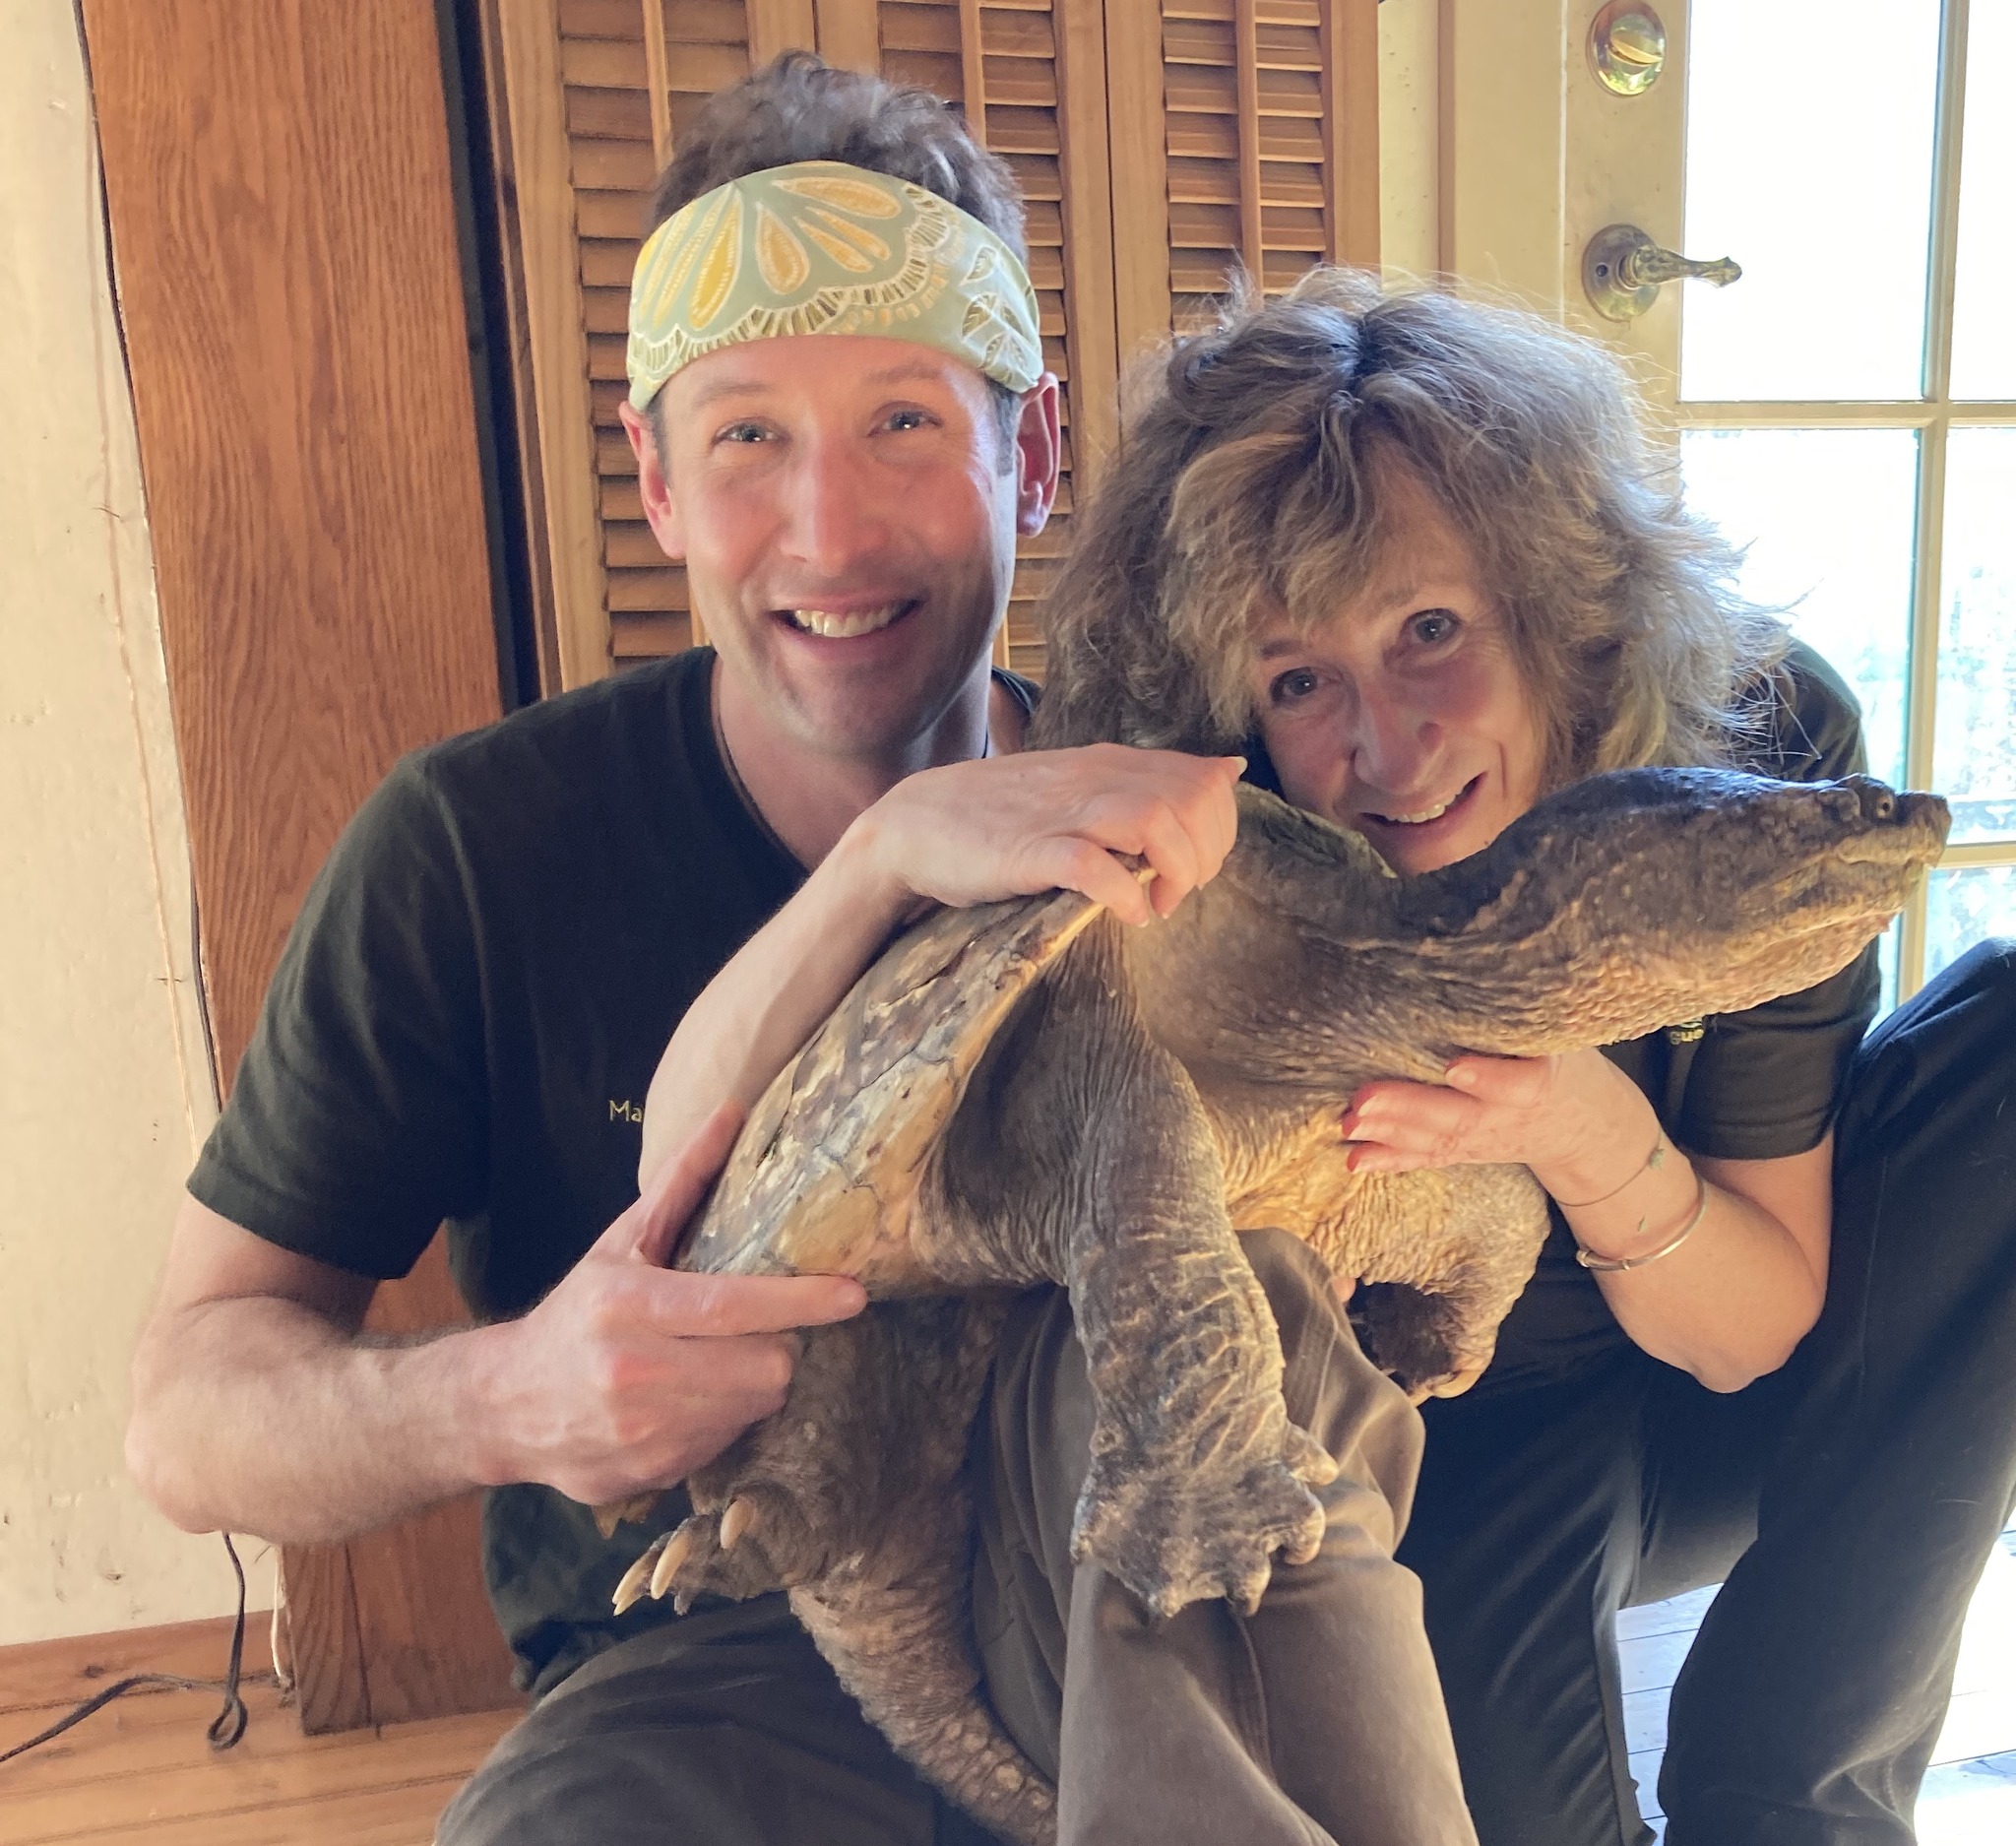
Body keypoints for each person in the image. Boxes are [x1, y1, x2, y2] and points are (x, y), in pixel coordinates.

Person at [124, 55, 1477, 1846]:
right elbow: (186, 1415)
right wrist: (506, 1396)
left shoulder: (1189, 805)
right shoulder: (474, 851)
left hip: (1146, 1573)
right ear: (656, 478)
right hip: (710, 1650)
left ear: (1032, 455)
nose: (829, 532)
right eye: (749, 435)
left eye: (906, 421)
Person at [1020, 267, 2016, 1846]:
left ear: (1555, 610)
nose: (1388, 746)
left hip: (1746, 1362)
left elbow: (1753, 1334)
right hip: (1453, 1406)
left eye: (1430, 630)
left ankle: (1795, 1798)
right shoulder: (1219, 861)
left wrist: (1576, 1123)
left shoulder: (1756, 762)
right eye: (1299, 680)